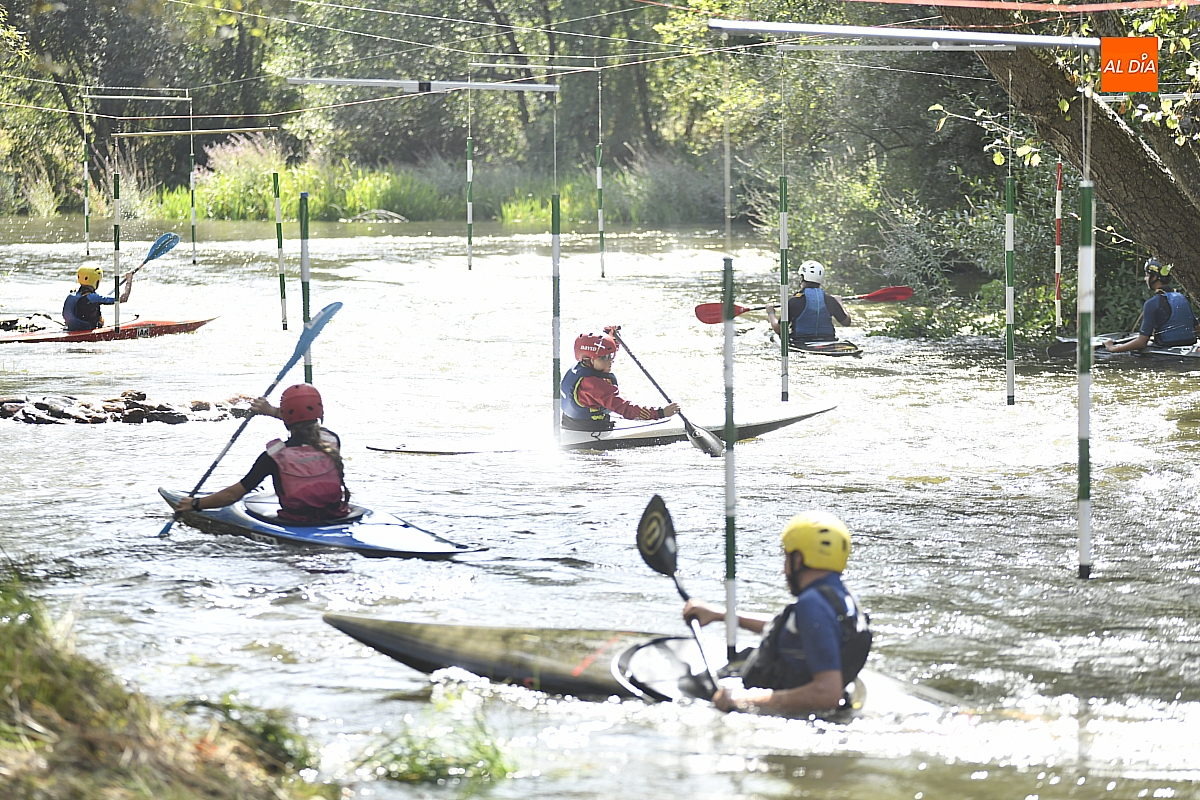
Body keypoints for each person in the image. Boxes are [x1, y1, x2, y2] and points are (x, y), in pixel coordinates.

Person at [683, 510, 872, 716]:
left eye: (786, 556)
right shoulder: (841, 597)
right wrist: (722, 615)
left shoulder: (812, 605)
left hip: (795, 716)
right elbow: (793, 630)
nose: (784, 569)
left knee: (688, 689)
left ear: (798, 559)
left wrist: (739, 699)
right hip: (828, 708)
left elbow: (827, 693)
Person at [172, 384, 351, 523]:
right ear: (320, 411)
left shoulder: (274, 456)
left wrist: (195, 504)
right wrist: (272, 411)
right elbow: (303, 421)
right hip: (336, 514)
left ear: (286, 416)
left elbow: (233, 495)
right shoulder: (332, 441)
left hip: (296, 520)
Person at [560, 327, 680, 432]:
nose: (611, 360)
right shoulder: (595, 385)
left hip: (570, 424)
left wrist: (611, 339)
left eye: (612, 355)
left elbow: (602, 350)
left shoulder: (579, 369)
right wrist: (660, 413)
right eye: (605, 357)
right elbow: (625, 408)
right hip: (591, 429)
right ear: (588, 359)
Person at [1105, 258, 1198, 353]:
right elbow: (1196, 328)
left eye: (1147, 275)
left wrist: (1114, 348)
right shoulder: (1182, 297)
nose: (1145, 279)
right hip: (1188, 346)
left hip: (1165, 352)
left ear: (1154, 277)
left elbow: (1142, 342)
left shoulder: (1152, 303)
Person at [765, 260, 852, 343]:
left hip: (800, 341)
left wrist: (771, 313)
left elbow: (779, 329)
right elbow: (846, 322)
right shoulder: (830, 300)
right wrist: (840, 303)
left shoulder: (794, 301)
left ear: (802, 278)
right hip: (828, 340)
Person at [63, 265, 133, 332]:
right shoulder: (94, 297)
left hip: (71, 328)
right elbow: (123, 298)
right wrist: (129, 281)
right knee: (100, 320)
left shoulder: (72, 294)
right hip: (85, 329)